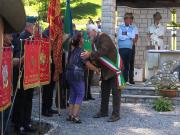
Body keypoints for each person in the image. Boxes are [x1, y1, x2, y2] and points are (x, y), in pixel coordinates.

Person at [81, 24, 122, 122]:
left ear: (94, 30)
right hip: (106, 70)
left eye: (89, 31)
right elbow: (98, 57)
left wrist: (90, 54)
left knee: (116, 92)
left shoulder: (104, 37)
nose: (88, 33)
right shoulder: (94, 41)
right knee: (104, 91)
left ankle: (116, 114)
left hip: (114, 69)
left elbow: (103, 50)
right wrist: (96, 67)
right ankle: (104, 111)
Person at [66, 32, 99, 123]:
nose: (84, 39)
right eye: (82, 38)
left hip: (69, 74)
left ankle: (70, 114)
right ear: (80, 41)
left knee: (73, 94)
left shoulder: (72, 50)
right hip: (77, 75)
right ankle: (75, 116)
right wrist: (96, 69)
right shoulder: (82, 51)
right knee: (80, 94)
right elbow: (88, 64)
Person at [12, 18, 37, 135]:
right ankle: (19, 125)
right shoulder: (22, 39)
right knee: (21, 101)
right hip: (21, 75)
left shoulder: (33, 39)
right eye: (35, 26)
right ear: (30, 26)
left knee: (28, 100)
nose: (36, 29)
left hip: (30, 74)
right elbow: (18, 58)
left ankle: (26, 123)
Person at [41, 27, 58, 117]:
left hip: (52, 64)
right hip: (46, 65)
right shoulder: (46, 33)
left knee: (51, 88)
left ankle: (49, 107)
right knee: (47, 89)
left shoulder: (54, 31)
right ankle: (45, 109)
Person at [118, 13, 136, 83]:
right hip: (122, 49)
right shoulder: (120, 27)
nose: (128, 21)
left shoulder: (133, 28)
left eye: (129, 19)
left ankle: (126, 80)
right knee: (121, 65)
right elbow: (120, 37)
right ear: (124, 20)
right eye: (127, 19)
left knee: (127, 65)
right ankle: (120, 80)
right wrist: (128, 36)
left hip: (129, 49)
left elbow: (133, 37)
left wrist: (126, 33)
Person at [146, 12, 165, 78]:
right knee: (151, 61)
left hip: (159, 46)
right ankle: (150, 77)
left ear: (160, 19)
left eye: (158, 19)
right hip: (152, 46)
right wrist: (153, 36)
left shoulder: (162, 27)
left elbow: (161, 36)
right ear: (154, 19)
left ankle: (158, 78)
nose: (157, 20)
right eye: (156, 19)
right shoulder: (150, 27)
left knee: (158, 61)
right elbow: (148, 36)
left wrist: (153, 35)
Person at [129, 13, 139, 84]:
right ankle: (124, 79)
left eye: (130, 19)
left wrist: (133, 42)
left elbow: (136, 37)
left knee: (131, 63)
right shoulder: (123, 26)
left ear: (132, 20)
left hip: (131, 46)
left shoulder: (134, 27)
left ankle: (131, 79)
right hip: (124, 47)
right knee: (124, 63)